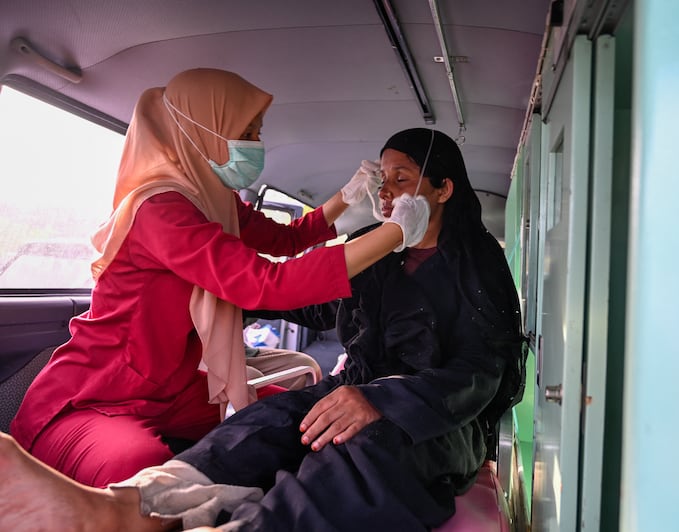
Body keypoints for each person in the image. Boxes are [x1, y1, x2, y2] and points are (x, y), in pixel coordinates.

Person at [0, 128, 525, 532]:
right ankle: (129, 506)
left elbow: (480, 373)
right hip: (354, 389)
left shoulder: (478, 264)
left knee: (368, 448)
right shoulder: (375, 247)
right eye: (382, 182)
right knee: (265, 422)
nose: (385, 194)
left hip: (438, 417)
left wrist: (385, 403)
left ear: (444, 188)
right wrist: (242, 302)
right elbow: (314, 301)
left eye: (402, 180)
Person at [8, 69, 429, 489]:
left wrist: (346, 196)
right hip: (101, 391)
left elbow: (285, 238)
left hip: (174, 385)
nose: (256, 144)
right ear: (201, 130)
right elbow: (265, 283)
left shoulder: (213, 199)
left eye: (257, 132)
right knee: (142, 474)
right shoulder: (160, 209)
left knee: (295, 421)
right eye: (246, 131)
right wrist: (394, 233)